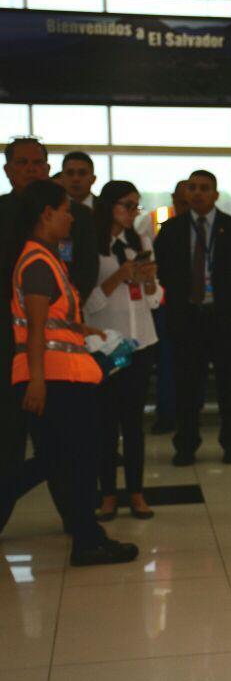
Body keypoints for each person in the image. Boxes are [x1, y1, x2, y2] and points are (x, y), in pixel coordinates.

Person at [0, 180, 139, 566]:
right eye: (65, 211)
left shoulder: (48, 259)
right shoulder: (38, 262)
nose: (70, 220)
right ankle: (88, 539)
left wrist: (85, 331)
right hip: (56, 379)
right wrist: (39, 382)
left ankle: (87, 538)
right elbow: (37, 329)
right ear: (46, 214)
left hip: (68, 375)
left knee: (61, 461)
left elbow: (55, 321)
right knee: (70, 461)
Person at [154, 170, 231, 466]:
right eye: (193, 188)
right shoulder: (171, 230)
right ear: (186, 193)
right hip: (188, 319)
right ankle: (186, 445)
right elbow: (163, 271)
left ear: (216, 194)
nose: (198, 193)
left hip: (225, 319)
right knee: (187, 387)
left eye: (204, 188)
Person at [86, 181, 162, 521]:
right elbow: (87, 304)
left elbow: (155, 299)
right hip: (105, 345)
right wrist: (119, 276)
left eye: (137, 206)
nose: (133, 213)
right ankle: (107, 494)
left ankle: (136, 491)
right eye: (127, 206)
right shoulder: (90, 244)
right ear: (109, 206)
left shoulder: (140, 241)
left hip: (140, 341)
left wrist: (147, 280)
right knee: (104, 423)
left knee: (133, 423)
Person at [137, 180, 190, 434]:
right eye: (182, 201)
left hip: (195, 302)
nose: (187, 205)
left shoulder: (206, 225)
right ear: (173, 198)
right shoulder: (154, 220)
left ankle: (190, 413)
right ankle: (167, 414)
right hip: (162, 301)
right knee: (166, 361)